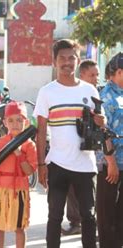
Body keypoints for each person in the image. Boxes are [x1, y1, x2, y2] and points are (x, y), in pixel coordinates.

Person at [34, 39, 106, 247]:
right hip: (57, 163)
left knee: (89, 217)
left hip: (86, 164)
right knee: (55, 217)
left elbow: (99, 123)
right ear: (54, 61)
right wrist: (41, 165)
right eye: (62, 58)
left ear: (77, 60)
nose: (67, 62)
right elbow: (40, 132)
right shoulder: (47, 92)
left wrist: (102, 122)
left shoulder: (90, 90)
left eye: (71, 58)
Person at [0, 101, 37, 248]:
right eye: (10, 120)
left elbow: (29, 171)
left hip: (19, 190)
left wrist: (19, 154)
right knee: (0, 225)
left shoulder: (29, 145)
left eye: (19, 120)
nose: (15, 124)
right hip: (1, 190)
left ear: (27, 122)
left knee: (20, 227)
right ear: (4, 122)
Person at [61, 59, 101, 236]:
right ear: (82, 74)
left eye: (97, 75)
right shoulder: (72, 93)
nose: (95, 78)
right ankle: (75, 221)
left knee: (94, 192)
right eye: (92, 75)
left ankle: (96, 224)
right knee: (71, 188)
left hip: (96, 152)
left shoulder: (98, 94)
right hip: (72, 150)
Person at [96, 52, 123, 248]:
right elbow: (102, 131)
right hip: (110, 165)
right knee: (107, 214)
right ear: (119, 72)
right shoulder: (105, 96)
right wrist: (111, 161)